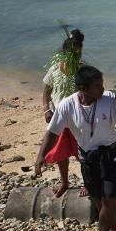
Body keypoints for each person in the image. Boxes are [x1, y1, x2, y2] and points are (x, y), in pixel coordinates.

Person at [35, 66, 116, 231]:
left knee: (109, 200)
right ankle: (115, 228)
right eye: (97, 86)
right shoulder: (67, 105)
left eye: (102, 84)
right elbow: (52, 133)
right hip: (88, 158)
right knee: (97, 200)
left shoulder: (109, 99)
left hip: (112, 154)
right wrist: (41, 156)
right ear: (83, 89)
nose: (102, 89)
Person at [42, 28, 86, 198]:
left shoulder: (83, 71)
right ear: (66, 51)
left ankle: (87, 183)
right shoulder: (54, 69)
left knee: (83, 152)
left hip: (79, 118)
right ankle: (65, 181)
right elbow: (46, 91)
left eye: (80, 48)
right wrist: (47, 109)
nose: (78, 51)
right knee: (61, 152)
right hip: (59, 119)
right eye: (74, 48)